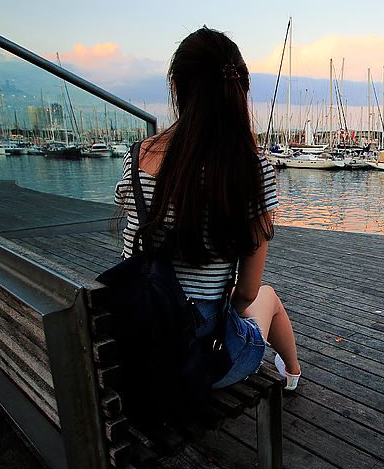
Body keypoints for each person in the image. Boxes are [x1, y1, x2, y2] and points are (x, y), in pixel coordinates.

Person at [113, 27, 301, 391]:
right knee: (267, 297)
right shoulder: (252, 170)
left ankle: (292, 372)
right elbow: (246, 293)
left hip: (134, 342)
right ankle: (292, 374)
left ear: (177, 88)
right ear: (239, 90)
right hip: (197, 361)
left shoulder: (137, 157)